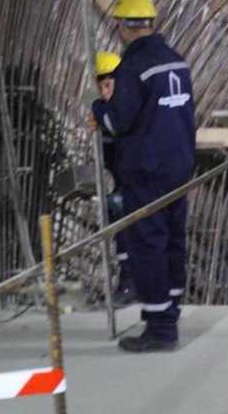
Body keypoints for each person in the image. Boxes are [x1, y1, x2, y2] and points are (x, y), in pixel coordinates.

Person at [89, 0, 196, 353]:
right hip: (179, 168)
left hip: (146, 172)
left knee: (147, 246)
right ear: (153, 22)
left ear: (120, 26)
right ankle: (171, 308)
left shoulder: (132, 68)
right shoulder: (177, 61)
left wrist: (98, 111)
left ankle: (160, 328)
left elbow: (119, 122)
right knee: (172, 241)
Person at [94, 51, 137, 308]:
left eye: (109, 85)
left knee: (124, 216)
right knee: (121, 219)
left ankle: (131, 284)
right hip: (126, 181)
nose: (105, 92)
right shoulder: (110, 115)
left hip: (141, 183)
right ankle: (129, 282)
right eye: (100, 87)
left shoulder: (127, 111)